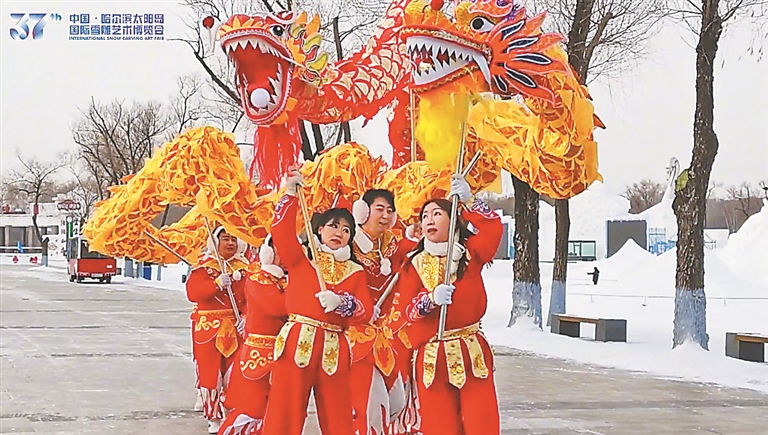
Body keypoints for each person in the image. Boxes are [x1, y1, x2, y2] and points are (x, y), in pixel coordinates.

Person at [260, 168, 374, 435]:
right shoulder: (302, 259)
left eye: (346, 230)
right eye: (333, 226)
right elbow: (281, 232)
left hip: (334, 346)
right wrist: (290, 195)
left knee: (338, 413)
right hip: (298, 340)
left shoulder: (356, 271)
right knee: (285, 409)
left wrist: (342, 303)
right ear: (320, 229)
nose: (339, 233)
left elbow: (366, 311)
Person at [394, 174, 503, 435]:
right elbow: (408, 311)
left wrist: (470, 200)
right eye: (425, 216)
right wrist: (429, 300)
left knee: (481, 422)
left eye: (437, 214)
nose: (429, 220)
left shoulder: (470, 253)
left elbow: (493, 229)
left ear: (453, 218)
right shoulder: (413, 263)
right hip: (433, 357)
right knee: (439, 426)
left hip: (470, 351)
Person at [348, 189, 419, 435]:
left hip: (383, 340)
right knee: (372, 407)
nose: (386, 215)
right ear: (363, 211)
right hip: (354, 339)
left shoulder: (392, 245)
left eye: (390, 210)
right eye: (379, 209)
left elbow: (417, 254)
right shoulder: (348, 244)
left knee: (397, 403)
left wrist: (418, 236)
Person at [217, 234, 288, 435]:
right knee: (251, 408)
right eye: (281, 250)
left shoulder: (287, 280)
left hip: (285, 352)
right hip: (260, 352)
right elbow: (278, 307)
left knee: (278, 410)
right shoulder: (258, 278)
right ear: (269, 252)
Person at [186, 227, 249, 434]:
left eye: (233, 239)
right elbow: (193, 293)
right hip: (209, 329)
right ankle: (213, 416)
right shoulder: (203, 267)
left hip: (236, 327)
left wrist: (247, 316)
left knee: (234, 374)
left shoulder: (246, 268)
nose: (230, 243)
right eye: (225, 239)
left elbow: (251, 296)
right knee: (210, 375)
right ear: (215, 241)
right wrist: (216, 283)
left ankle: (232, 411)